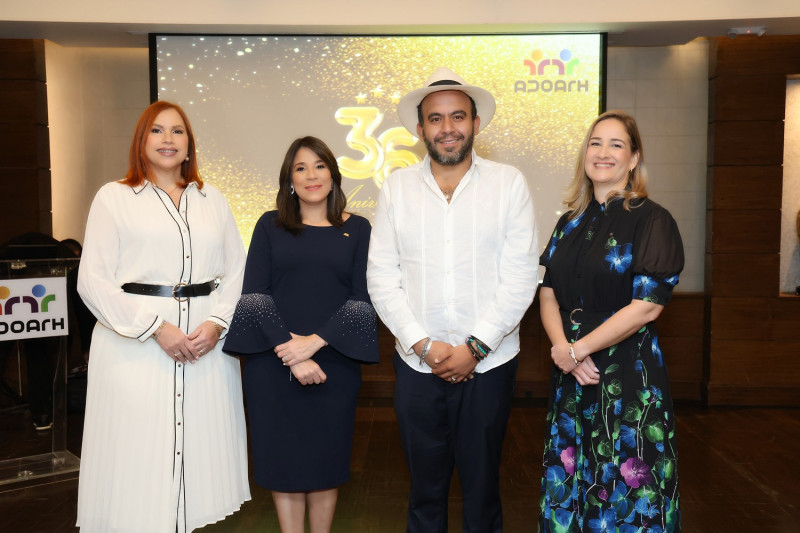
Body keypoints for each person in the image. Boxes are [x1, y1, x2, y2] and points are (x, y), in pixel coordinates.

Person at [367, 67, 538, 532]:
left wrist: (475, 347)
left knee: (482, 492)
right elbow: (381, 275)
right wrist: (422, 344)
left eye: (458, 116)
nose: (448, 128)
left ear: (475, 123)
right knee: (424, 492)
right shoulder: (397, 187)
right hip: (417, 365)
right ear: (420, 129)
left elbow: (520, 276)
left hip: (490, 364)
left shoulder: (508, 183)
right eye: (436, 118)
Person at [76, 101, 250, 532]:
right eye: (157, 130)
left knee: (200, 458)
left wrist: (218, 323)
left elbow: (237, 271)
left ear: (190, 144)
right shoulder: (114, 197)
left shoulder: (212, 199)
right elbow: (93, 281)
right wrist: (154, 328)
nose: (168, 139)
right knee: (137, 453)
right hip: (133, 348)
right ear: (141, 140)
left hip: (206, 346)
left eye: (178, 131)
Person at [223, 136, 378, 533]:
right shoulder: (269, 225)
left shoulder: (359, 228)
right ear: (289, 179)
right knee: (283, 463)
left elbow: (362, 298)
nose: (312, 175)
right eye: (301, 167)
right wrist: (291, 351)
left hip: (334, 361)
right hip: (273, 363)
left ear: (333, 174)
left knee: (327, 462)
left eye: (320, 166)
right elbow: (255, 295)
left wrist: (313, 344)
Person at [538, 110, 683, 531]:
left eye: (616, 144)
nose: (603, 152)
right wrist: (563, 350)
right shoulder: (568, 222)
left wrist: (578, 350)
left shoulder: (652, 219)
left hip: (626, 371)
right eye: (595, 143)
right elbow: (548, 293)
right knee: (572, 474)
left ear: (634, 158)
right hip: (571, 370)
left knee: (627, 483)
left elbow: (648, 305)